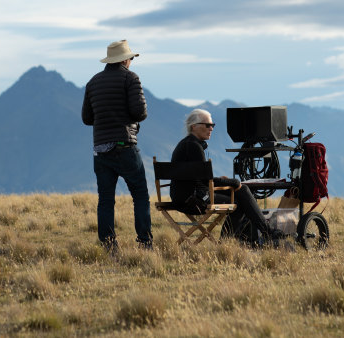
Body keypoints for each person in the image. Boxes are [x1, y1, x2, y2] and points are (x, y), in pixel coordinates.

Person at [170, 109, 281, 246]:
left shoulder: (187, 144)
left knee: (242, 190)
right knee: (239, 201)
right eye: (207, 125)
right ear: (194, 126)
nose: (211, 129)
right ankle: (229, 243)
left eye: (213, 125)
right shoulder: (194, 147)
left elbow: (201, 178)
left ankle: (265, 232)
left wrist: (229, 182)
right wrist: (233, 182)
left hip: (186, 196)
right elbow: (206, 181)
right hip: (193, 200)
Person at [81, 40, 153, 253]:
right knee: (140, 196)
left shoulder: (92, 82)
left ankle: (109, 245)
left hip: (101, 149)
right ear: (124, 60)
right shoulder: (131, 79)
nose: (131, 61)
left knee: (105, 200)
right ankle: (145, 242)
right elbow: (140, 112)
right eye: (130, 58)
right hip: (125, 145)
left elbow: (87, 118)